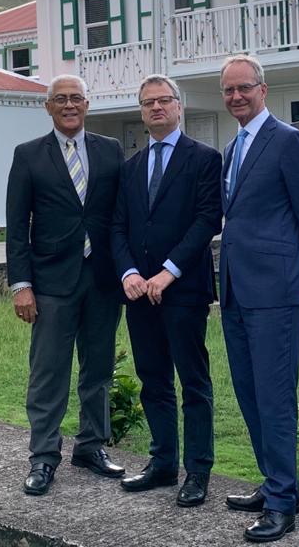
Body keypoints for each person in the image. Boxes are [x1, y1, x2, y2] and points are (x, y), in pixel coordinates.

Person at [217, 55, 299, 543]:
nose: (236, 96)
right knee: (249, 393)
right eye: (228, 90)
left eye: (244, 87)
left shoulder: (287, 140)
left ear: (263, 89)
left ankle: (282, 505)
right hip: (235, 291)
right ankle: (276, 483)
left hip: (276, 294)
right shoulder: (231, 148)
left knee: (275, 397)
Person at [5, 74, 126, 496]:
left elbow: (121, 215)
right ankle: (43, 456)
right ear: (48, 107)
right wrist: (21, 285)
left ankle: (91, 447)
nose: (69, 105)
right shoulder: (28, 155)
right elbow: (17, 227)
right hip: (52, 282)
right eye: (61, 99)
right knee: (48, 372)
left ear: (87, 104)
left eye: (76, 98)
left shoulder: (110, 150)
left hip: (103, 279)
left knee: (98, 369)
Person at [111, 75, 222, 507]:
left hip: (184, 290)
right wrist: (129, 273)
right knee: (153, 380)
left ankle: (198, 470)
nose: (156, 107)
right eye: (148, 103)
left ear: (179, 106)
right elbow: (118, 226)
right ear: (141, 112)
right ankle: (162, 463)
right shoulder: (130, 168)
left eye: (163, 100)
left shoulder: (204, 159)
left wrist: (168, 272)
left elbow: (207, 219)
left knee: (193, 382)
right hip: (139, 293)